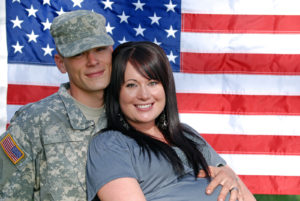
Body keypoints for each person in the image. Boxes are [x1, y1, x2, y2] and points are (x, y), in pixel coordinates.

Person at [0, 10, 253, 201]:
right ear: (60, 63)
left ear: (111, 50)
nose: (92, 61)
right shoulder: (35, 122)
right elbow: (8, 193)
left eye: (99, 49)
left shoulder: (139, 116)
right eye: (78, 53)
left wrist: (227, 175)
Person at [86, 41, 256, 201]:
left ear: (165, 87)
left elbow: (240, 189)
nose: (144, 95)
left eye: (152, 83)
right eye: (131, 85)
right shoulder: (110, 144)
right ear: (116, 92)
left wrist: (230, 178)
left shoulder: (186, 134)